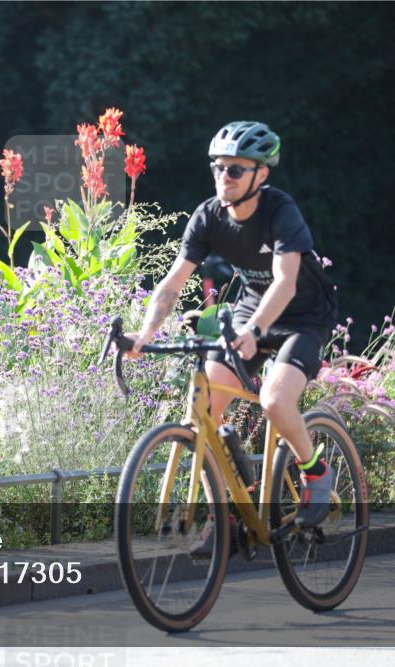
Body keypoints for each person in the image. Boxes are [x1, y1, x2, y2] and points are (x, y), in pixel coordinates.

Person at [127, 120, 339, 536]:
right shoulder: (208, 217)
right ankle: (222, 517)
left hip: (303, 317)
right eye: (219, 168)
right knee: (204, 406)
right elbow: (172, 283)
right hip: (249, 311)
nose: (224, 176)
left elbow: (286, 282)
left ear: (261, 174)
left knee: (275, 400)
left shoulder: (280, 211)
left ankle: (315, 472)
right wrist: (144, 334)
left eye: (236, 169)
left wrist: (257, 331)